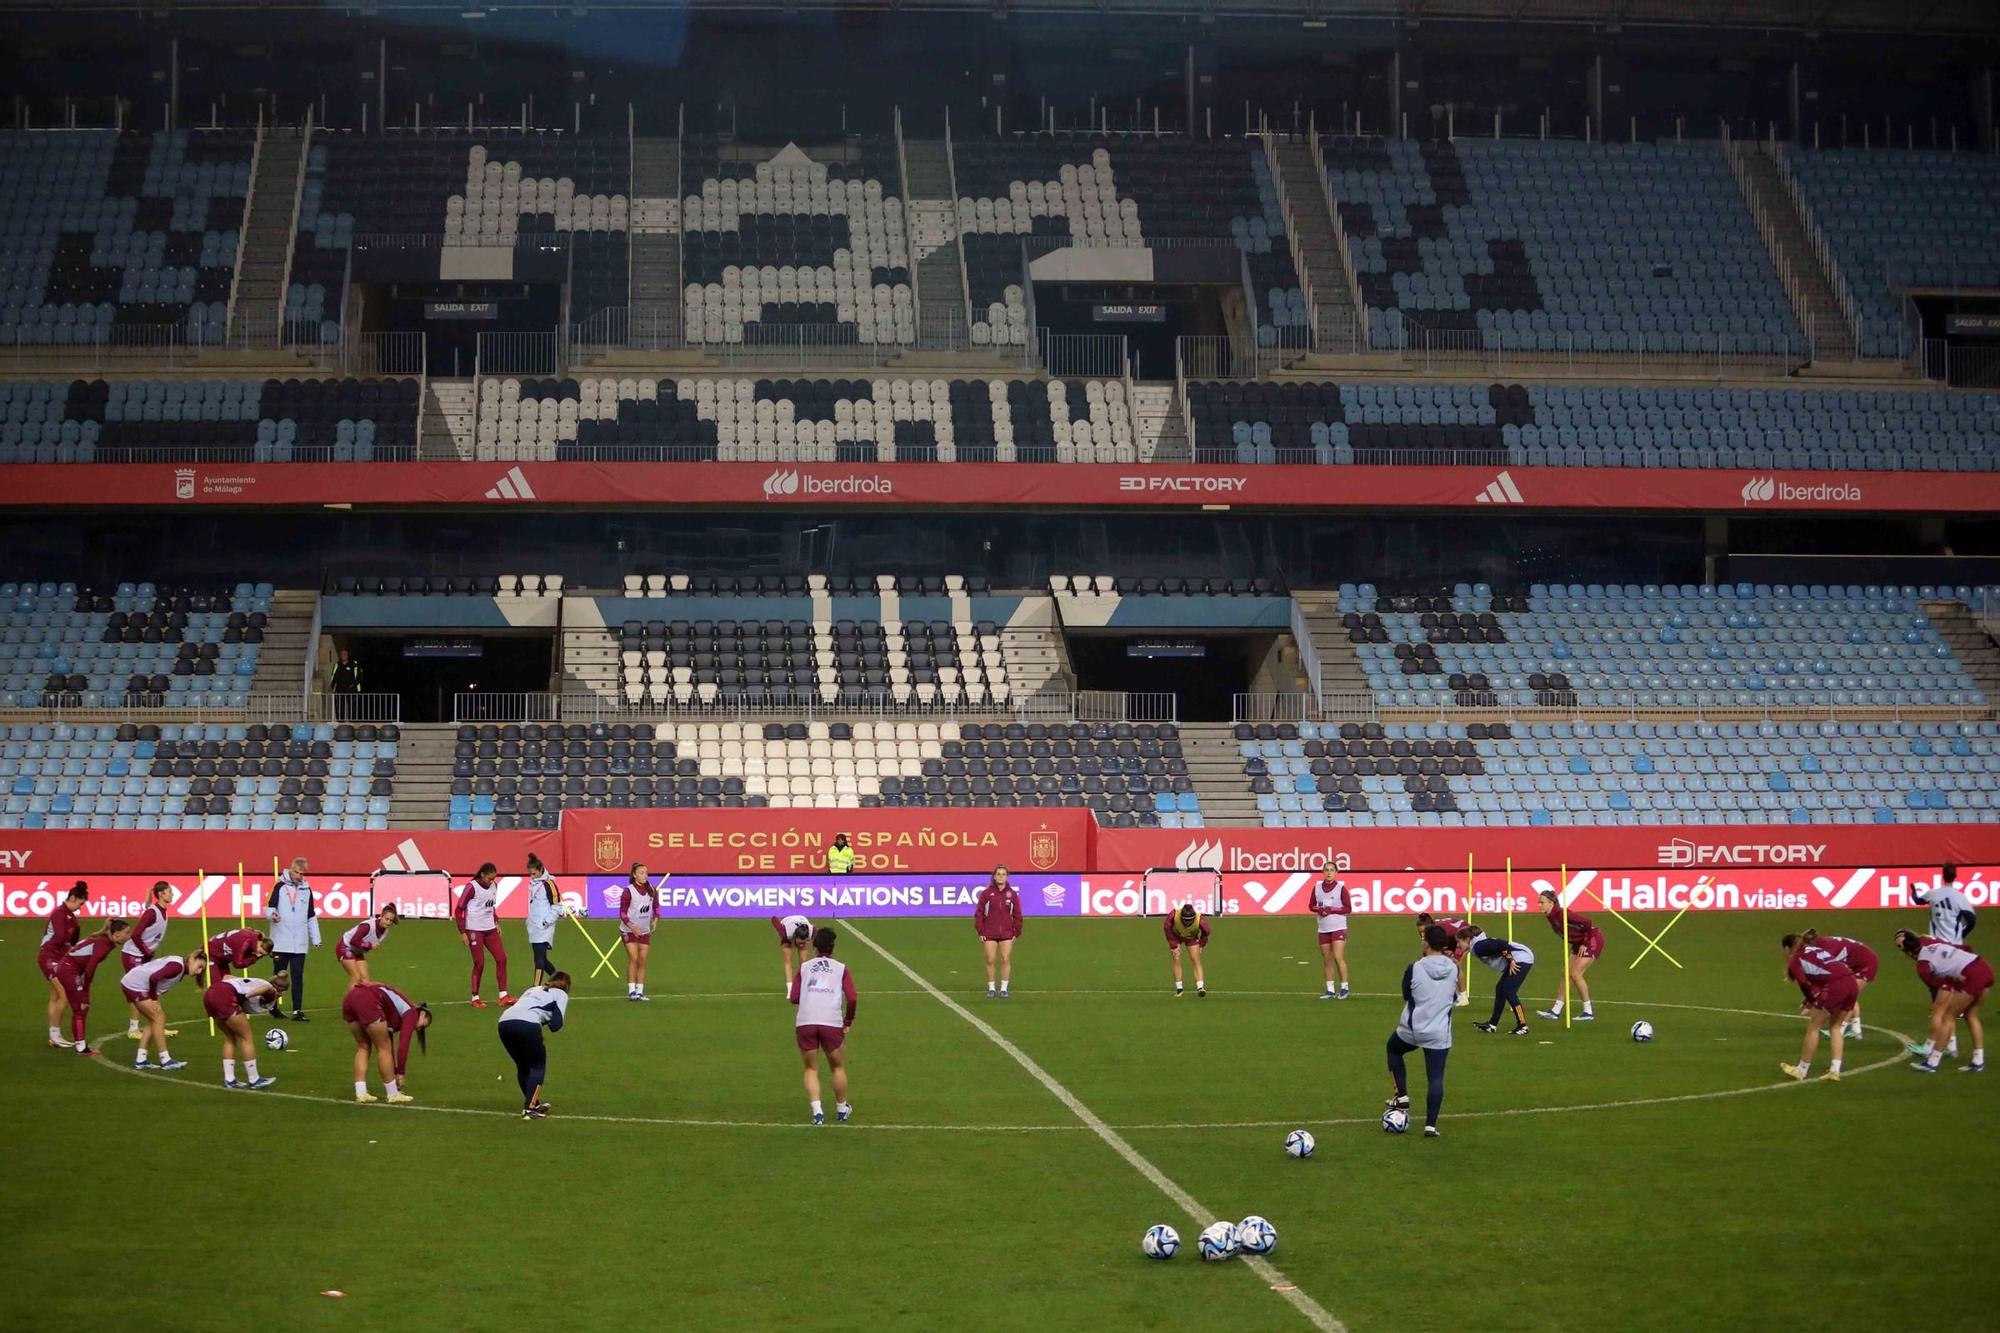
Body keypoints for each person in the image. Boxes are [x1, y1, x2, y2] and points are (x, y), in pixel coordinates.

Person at [1387, 924, 1457, 1138]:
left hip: (1413, 1029)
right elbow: (1453, 996)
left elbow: (1407, 995)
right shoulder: (1454, 968)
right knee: (1435, 1078)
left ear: (1426, 942)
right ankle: (1430, 1126)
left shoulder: (1414, 967)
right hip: (1439, 1032)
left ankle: (1402, 1094)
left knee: (1393, 1049)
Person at [790, 926, 857, 1125]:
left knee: (811, 1068)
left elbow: (794, 997)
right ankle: (841, 1109)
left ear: (815, 948)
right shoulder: (841, 968)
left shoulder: (804, 967)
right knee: (837, 1067)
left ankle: (817, 1113)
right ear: (832, 948)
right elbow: (852, 998)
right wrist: (848, 1021)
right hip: (831, 1022)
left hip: (806, 1021)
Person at [1897, 930, 1988, 1074]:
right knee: (1971, 1016)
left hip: (1971, 976)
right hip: (1983, 967)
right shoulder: (1934, 943)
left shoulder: (1922, 966)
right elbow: (1966, 949)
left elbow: (1935, 984)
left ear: (1908, 953)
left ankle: (1932, 1062)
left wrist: (1954, 979)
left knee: (1947, 1016)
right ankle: (1978, 1061)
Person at [1781, 936, 1857, 1082]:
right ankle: (1834, 1071)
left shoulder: (1795, 959)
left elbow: (1803, 983)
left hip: (1836, 985)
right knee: (1835, 1027)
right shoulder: (1816, 949)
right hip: (1851, 982)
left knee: (1813, 1027)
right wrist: (1811, 999)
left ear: (1786, 948)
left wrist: (1811, 1000)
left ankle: (1801, 1070)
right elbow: (1824, 973)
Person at [52, 919, 133, 1054]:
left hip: (67, 968)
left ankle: (81, 1044)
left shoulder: (103, 940)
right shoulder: (104, 944)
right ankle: (81, 1048)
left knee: (81, 1008)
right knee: (80, 1008)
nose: (129, 936)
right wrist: (85, 993)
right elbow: (90, 968)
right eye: (127, 932)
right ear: (117, 934)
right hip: (68, 970)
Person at [341, 980, 430, 1104]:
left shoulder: (393, 1013)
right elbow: (402, 1047)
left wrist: (394, 1070)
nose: (418, 1029)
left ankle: (361, 1092)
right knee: (383, 1048)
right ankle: (392, 1094)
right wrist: (401, 1073)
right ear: (422, 1014)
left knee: (363, 1046)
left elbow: (390, 1042)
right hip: (368, 999)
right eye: (422, 1025)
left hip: (350, 997)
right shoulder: (412, 1012)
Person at [497, 972, 571, 1119]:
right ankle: (530, 1109)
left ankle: (534, 1103)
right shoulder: (561, 994)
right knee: (538, 1066)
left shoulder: (532, 989)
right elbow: (556, 1025)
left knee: (523, 1066)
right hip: (528, 1024)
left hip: (504, 1022)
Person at [120, 951, 206, 1071]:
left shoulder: (179, 965)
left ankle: (141, 1060)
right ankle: (165, 1060)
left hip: (133, 982)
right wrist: (154, 999)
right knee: (159, 1018)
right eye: (199, 966)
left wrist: (154, 998)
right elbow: (154, 978)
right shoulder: (177, 967)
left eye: (202, 969)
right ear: (191, 959)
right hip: (136, 985)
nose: (199, 971)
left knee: (153, 1020)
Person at [1792, 929, 1878, 1041]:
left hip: (1865, 964)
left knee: (1845, 995)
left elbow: (1827, 975)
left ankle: (1840, 1030)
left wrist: (1811, 999)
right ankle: (1856, 1030)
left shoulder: (1826, 950)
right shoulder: (1823, 944)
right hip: (1857, 962)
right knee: (1849, 993)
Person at [202, 972, 284, 1089]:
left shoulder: (254, 981)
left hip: (210, 993)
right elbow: (268, 988)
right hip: (225, 996)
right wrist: (246, 996)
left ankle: (229, 1079)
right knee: (247, 1037)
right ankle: (254, 1079)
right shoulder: (270, 990)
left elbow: (226, 977)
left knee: (231, 1038)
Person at [1534, 890, 1604, 1022]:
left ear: (1551, 903)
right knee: (1566, 973)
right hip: (1578, 943)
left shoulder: (1562, 914)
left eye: (1542, 902)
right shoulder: (1551, 916)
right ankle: (1556, 1010)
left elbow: (1587, 922)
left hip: (1591, 939)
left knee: (1576, 974)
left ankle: (1588, 1011)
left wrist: (1584, 943)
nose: (1539, 905)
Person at [453, 862, 513, 1010]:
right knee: (479, 963)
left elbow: (490, 906)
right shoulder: (471, 888)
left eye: (494, 879)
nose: (492, 881)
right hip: (474, 930)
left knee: (502, 958)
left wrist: (496, 921)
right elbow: (458, 910)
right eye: (489, 879)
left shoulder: (494, 886)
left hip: (490, 929)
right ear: (482, 875)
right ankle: (475, 997)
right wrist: (462, 932)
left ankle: (503, 995)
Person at [266, 857, 320, 1021]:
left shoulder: (307, 889)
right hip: (281, 940)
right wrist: (271, 915)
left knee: (297, 976)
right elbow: (268, 907)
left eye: (302, 874)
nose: (299, 876)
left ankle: (297, 1010)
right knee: (278, 976)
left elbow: (311, 914)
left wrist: (316, 937)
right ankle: (273, 1007)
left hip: (300, 942)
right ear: (291, 869)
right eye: (297, 873)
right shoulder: (279, 886)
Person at [120, 880, 174, 1039]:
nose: (172, 894)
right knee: (138, 989)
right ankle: (133, 1029)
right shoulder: (153, 913)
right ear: (161, 894)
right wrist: (146, 952)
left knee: (151, 988)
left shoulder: (160, 911)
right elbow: (135, 934)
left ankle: (157, 1025)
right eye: (169, 891)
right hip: (133, 955)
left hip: (142, 955)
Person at [1459, 925, 1535, 1035]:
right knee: (1500, 989)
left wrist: (1511, 960)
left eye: (1459, 942)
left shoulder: (1479, 947)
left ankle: (1523, 1025)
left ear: (1467, 940)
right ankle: (1492, 1024)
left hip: (1521, 958)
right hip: (1519, 956)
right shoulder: (1478, 945)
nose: (1458, 945)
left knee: (1509, 991)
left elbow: (1502, 944)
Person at [38, 881, 88, 1048]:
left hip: (58, 957)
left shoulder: (70, 916)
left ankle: (53, 1036)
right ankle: (55, 1035)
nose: (80, 908)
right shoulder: (60, 913)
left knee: (55, 996)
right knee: (64, 995)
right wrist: (70, 937)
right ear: (72, 898)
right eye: (80, 904)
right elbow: (61, 938)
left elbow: (71, 939)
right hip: (49, 957)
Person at [974, 865, 1022, 999]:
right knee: (990, 960)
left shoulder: (1012, 894)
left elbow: (1017, 914)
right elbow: (979, 913)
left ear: (1007, 877)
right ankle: (991, 988)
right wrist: (981, 931)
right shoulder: (987, 894)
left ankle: (1004, 988)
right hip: (989, 932)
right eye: (999, 874)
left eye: (1003, 874)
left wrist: (1016, 932)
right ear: (994, 877)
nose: (1001, 876)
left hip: (1006, 933)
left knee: (1006, 959)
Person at [618, 862, 659, 1001]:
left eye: (646, 873)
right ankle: (631, 991)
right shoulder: (628, 891)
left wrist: (656, 919)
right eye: (641, 873)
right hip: (629, 931)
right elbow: (622, 912)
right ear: (634, 875)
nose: (644, 875)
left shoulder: (652, 890)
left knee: (642, 961)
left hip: (644, 931)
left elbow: (656, 906)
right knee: (633, 958)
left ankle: (640, 991)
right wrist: (631, 926)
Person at [1312, 867, 1352, 1000]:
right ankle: (1330, 990)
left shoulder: (1341, 888)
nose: (1329, 873)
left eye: (1331, 870)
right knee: (1327, 959)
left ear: (1336, 873)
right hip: (1323, 928)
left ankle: (1344, 987)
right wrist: (1320, 909)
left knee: (1337, 957)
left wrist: (1332, 909)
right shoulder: (1317, 887)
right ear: (1323, 872)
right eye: (1326, 870)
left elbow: (1348, 908)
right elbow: (1311, 905)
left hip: (1338, 927)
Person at [1414, 912, 1471, 1005]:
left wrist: (1453, 954)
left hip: (1464, 936)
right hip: (1450, 938)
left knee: (1455, 965)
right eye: (1420, 932)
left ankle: (1463, 997)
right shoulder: (1429, 931)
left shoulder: (1444, 931)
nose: (1422, 935)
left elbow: (1459, 942)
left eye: (1424, 932)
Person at [1913, 864, 1977, 945]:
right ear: (1955, 876)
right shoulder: (1961, 897)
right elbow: (1971, 921)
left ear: (1943, 876)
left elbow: (1917, 901)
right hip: (1955, 944)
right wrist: (1962, 934)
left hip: (1936, 944)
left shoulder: (1933, 894)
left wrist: (1913, 892)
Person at [523, 854, 562, 987]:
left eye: (534, 873)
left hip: (544, 928)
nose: (532, 876)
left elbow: (557, 906)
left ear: (541, 870)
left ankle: (535, 988)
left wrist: (546, 922)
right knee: (543, 960)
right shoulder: (533, 883)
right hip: (533, 928)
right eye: (530, 874)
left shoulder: (549, 884)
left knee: (538, 960)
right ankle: (560, 980)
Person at [337, 905, 400, 986]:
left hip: (357, 951)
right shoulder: (367, 926)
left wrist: (368, 947)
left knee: (366, 981)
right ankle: (350, 999)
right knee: (356, 977)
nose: (388, 922)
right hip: (345, 947)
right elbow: (354, 941)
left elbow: (364, 945)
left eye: (390, 921)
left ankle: (361, 998)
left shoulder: (385, 931)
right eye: (386, 919)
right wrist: (369, 946)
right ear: (381, 916)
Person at [1165, 903, 1209, 997]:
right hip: (1176, 936)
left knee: (1196, 960)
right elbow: (1167, 928)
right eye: (1185, 920)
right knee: (1176, 958)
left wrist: (1201, 945)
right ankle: (1179, 988)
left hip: (1191, 937)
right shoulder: (1173, 915)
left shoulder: (1200, 920)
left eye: (1190, 921)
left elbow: (1206, 933)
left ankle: (1200, 987)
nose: (1187, 923)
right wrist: (1173, 946)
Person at [771, 913, 813, 994]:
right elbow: (774, 918)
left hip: (802, 920)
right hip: (788, 925)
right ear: (795, 937)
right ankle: (790, 990)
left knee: (803, 962)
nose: (800, 945)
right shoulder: (784, 932)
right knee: (788, 960)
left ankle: (803, 986)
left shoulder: (811, 932)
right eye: (800, 942)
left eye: (803, 943)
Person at [206, 927, 272, 976]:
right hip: (211, 954)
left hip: (222, 958)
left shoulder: (252, 939)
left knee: (226, 983)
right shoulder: (245, 941)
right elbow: (237, 964)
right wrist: (254, 958)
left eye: (262, 955)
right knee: (217, 985)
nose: (259, 955)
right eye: (260, 952)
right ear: (260, 943)